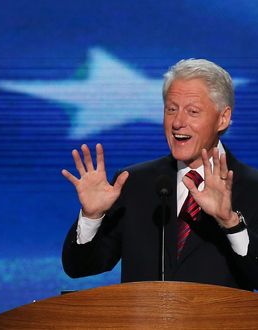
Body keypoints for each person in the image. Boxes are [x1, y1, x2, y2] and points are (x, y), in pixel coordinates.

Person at [61, 59, 258, 290]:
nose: (178, 122)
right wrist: (91, 217)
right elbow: (79, 267)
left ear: (222, 118)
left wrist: (230, 223)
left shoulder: (252, 188)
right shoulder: (133, 183)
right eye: (171, 109)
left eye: (192, 111)